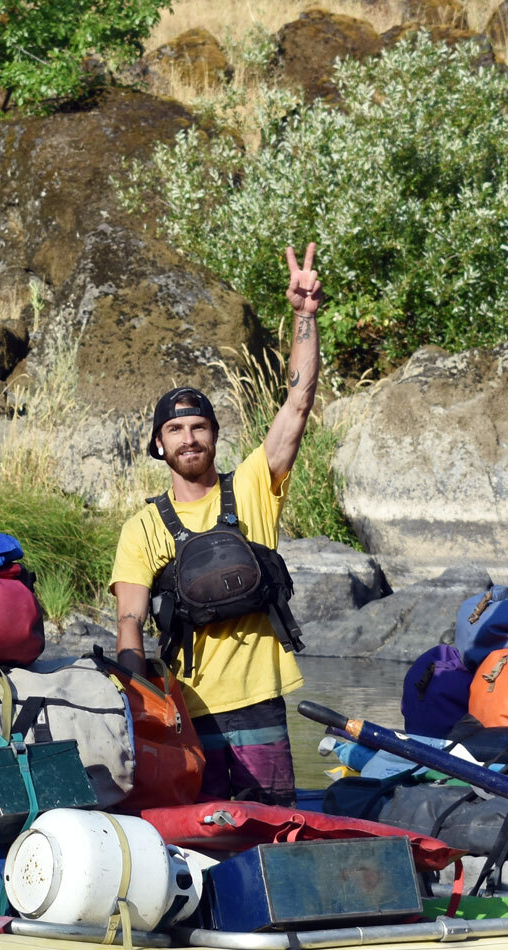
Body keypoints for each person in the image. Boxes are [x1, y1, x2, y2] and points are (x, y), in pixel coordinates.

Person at [110, 244, 326, 805]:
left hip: (260, 700)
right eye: (176, 429)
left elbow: (298, 402)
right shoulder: (143, 526)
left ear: (214, 435)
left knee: (271, 828)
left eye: (199, 426)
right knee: (201, 836)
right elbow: (130, 619)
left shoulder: (255, 484)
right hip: (187, 708)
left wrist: (305, 314)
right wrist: (140, 700)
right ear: (159, 445)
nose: (188, 438)